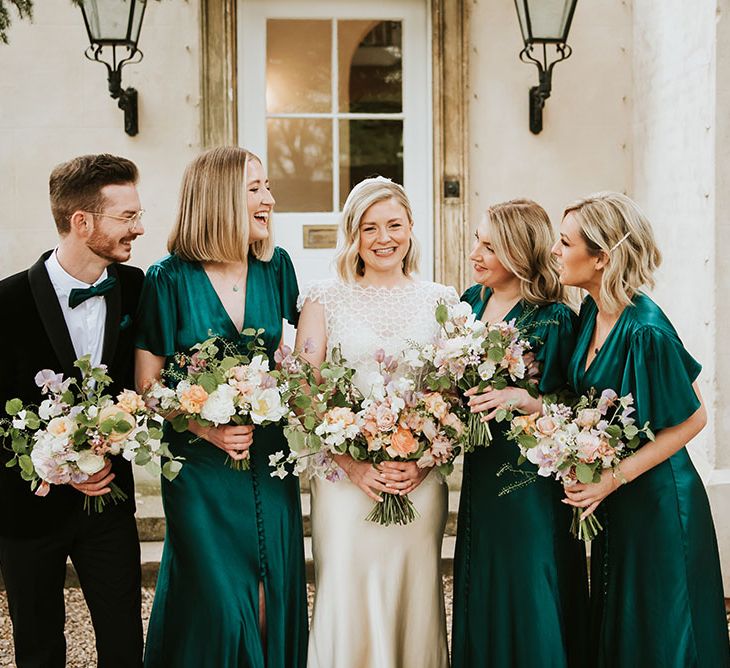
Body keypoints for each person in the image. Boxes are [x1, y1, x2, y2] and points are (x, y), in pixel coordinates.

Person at [135, 146, 308, 668]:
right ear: (217, 198)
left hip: (268, 457)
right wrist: (204, 426)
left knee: (268, 594)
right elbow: (147, 387)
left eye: (267, 188)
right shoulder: (166, 279)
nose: (269, 200)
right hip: (199, 467)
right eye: (254, 189)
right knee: (219, 600)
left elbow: (294, 360)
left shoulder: (276, 267)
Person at [554, 191, 730, 667]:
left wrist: (615, 476)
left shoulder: (645, 329)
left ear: (601, 257)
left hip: (659, 501)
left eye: (565, 242)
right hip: (620, 499)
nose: (555, 251)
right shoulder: (591, 312)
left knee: (665, 626)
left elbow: (694, 418)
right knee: (625, 619)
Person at [296, 176, 458, 668]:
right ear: (353, 234)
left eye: (394, 224)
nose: (384, 238)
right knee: (346, 592)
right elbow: (305, 389)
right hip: (345, 481)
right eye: (370, 228)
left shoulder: (443, 300)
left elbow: (453, 394)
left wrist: (425, 464)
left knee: (414, 594)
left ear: (411, 227)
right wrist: (352, 462)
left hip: (418, 482)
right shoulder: (325, 298)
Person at [0, 154, 145, 667]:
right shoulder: (6, 303)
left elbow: (146, 384)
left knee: (126, 642)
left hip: (109, 501)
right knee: (38, 647)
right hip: (28, 511)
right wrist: (54, 464)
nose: (140, 228)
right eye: (126, 217)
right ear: (82, 222)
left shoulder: (135, 288)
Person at [450, 199, 588, 668]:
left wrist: (527, 401)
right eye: (476, 241)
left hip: (528, 477)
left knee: (528, 577)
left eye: (490, 246)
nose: (476, 253)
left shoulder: (554, 318)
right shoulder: (470, 302)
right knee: (482, 573)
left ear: (518, 252)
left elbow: (575, 405)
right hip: (481, 467)